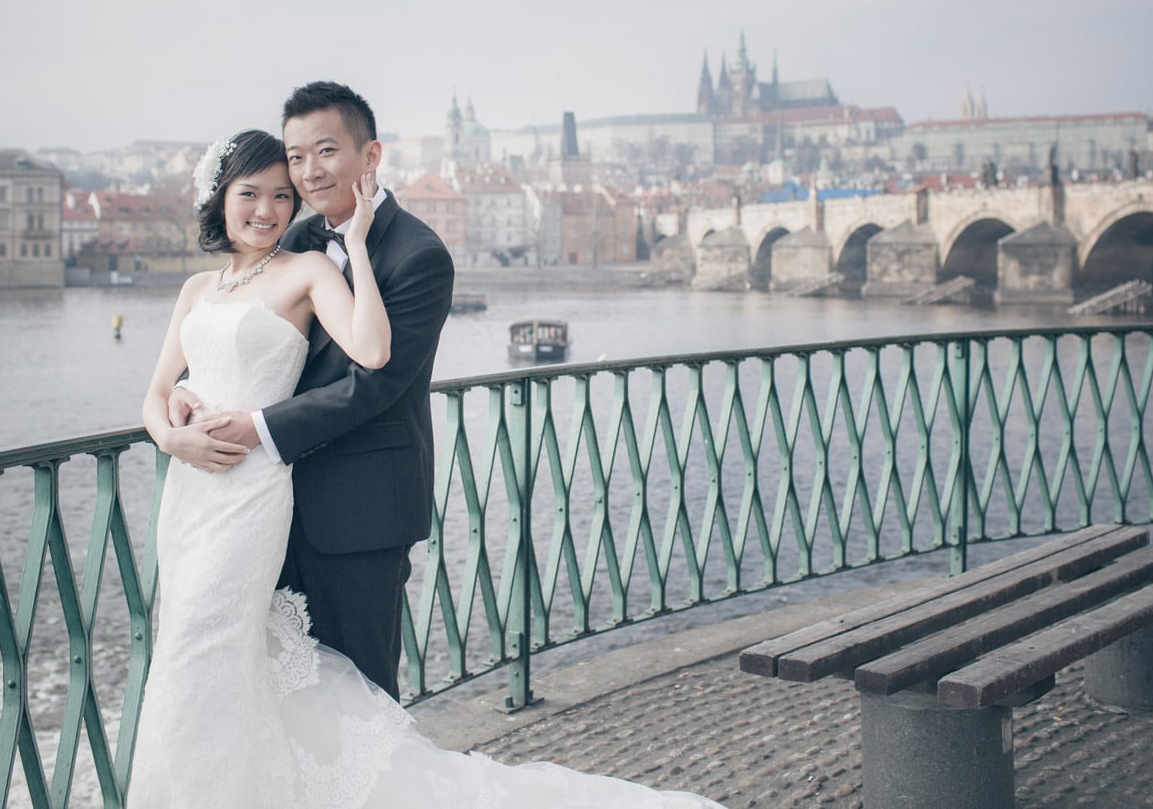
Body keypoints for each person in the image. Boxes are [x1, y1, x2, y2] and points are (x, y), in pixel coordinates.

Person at [130, 124, 724, 808]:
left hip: (253, 490)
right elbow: (153, 392)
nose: (266, 209)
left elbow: (374, 354)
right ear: (219, 199)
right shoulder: (196, 288)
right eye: (249, 194)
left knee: (214, 644)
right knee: (190, 649)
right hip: (192, 492)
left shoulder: (309, 266)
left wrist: (353, 245)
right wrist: (171, 435)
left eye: (279, 196)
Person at [166, 80, 453, 698]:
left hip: (361, 509)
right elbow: (252, 333)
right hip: (266, 506)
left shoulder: (418, 254)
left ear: (369, 156)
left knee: (364, 696)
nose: (307, 172)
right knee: (281, 692)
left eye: (325, 151)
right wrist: (187, 392)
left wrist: (260, 428)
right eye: (296, 157)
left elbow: (375, 383)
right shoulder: (292, 240)